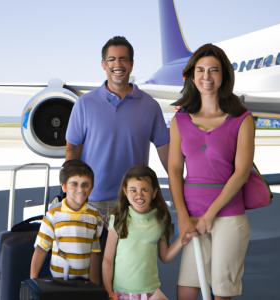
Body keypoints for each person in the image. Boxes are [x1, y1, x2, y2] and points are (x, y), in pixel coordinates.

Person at [168, 44, 254, 300]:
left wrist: (211, 214)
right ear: (192, 76)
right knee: (186, 289)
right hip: (192, 216)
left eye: (213, 70)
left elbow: (241, 172)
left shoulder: (242, 119)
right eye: (201, 70)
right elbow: (174, 169)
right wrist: (183, 216)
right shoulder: (180, 120)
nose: (206, 76)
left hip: (227, 215)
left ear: (224, 76)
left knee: (221, 291)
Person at [65, 36, 170, 206]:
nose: (117, 65)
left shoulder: (150, 105)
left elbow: (166, 153)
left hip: (134, 204)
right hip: (92, 202)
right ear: (103, 65)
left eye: (123, 59)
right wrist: (73, 197)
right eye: (111, 59)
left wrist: (181, 188)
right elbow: (72, 152)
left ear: (131, 64)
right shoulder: (84, 103)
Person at [102, 166, 184, 300]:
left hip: (151, 292)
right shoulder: (118, 220)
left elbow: (165, 256)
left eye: (144, 190)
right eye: (133, 190)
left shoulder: (160, 220)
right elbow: (108, 259)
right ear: (125, 192)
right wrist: (109, 290)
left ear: (154, 192)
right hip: (122, 292)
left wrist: (182, 240)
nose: (139, 195)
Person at [30, 160, 103, 284]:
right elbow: (41, 249)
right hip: (59, 283)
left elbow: (94, 251)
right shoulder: (53, 216)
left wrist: (94, 285)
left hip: (84, 284)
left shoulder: (95, 216)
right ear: (64, 187)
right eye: (74, 184)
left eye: (85, 185)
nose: (80, 189)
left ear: (91, 188)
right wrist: (33, 282)